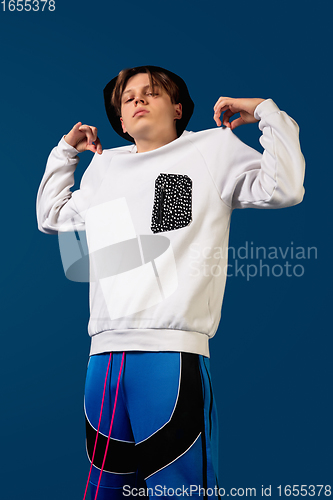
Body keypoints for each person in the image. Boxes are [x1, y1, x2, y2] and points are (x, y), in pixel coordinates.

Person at [36, 65, 305, 500]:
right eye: (128, 98)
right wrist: (66, 152)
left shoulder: (210, 149)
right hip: (103, 360)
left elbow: (285, 187)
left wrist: (265, 112)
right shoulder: (105, 170)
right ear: (120, 121)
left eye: (152, 93)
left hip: (169, 357)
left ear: (178, 108)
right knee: (105, 494)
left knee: (179, 493)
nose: (139, 100)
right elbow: (51, 216)